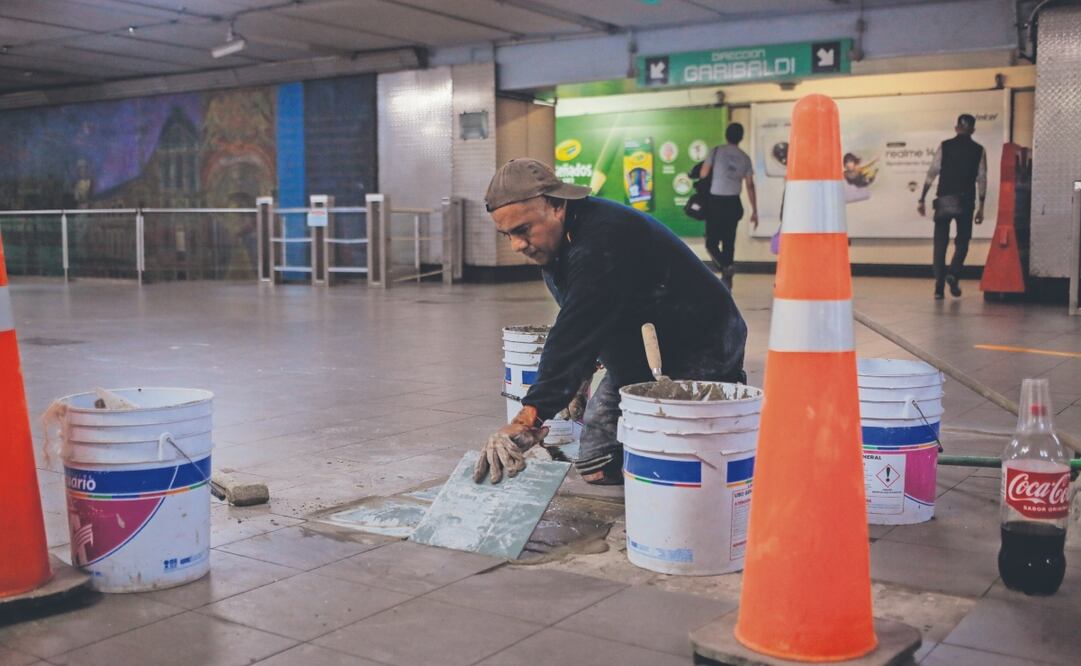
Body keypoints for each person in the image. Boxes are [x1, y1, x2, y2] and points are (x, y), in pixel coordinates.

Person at [474, 158, 748, 485]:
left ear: (557, 206)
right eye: (507, 235)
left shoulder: (604, 238)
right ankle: (650, 456)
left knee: (677, 458)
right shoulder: (560, 245)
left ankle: (707, 439)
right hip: (641, 352)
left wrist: (528, 418)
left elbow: (574, 329)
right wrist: (579, 377)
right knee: (596, 464)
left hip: (700, 344)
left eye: (522, 230)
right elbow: (591, 319)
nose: (517, 245)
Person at [918, 113, 987, 299]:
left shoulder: (945, 146)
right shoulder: (979, 150)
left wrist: (922, 198)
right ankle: (953, 273)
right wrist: (981, 205)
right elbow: (982, 178)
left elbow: (932, 172)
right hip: (966, 202)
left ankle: (939, 288)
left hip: (944, 200)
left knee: (940, 244)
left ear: (957, 128)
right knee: (962, 242)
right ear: (973, 130)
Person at [698, 123, 758, 288]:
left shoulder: (716, 151)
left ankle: (725, 267)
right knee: (728, 243)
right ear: (741, 137)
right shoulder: (745, 158)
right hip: (733, 203)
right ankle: (727, 280)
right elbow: (750, 185)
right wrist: (754, 210)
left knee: (711, 243)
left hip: (716, 202)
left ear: (726, 135)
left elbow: (703, 174)